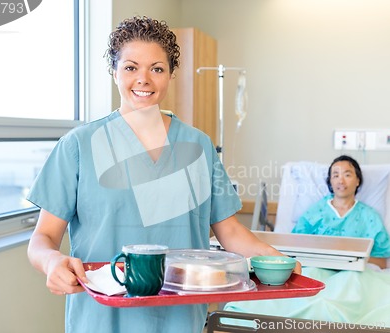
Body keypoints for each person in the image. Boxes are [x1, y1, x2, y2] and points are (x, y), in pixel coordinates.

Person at [26, 16, 298, 333]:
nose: (144, 79)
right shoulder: (78, 146)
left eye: (157, 69)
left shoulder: (198, 145)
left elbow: (230, 232)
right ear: (114, 72)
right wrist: (51, 262)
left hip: (179, 317)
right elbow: (42, 238)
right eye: (130, 67)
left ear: (170, 75)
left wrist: (277, 260)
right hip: (101, 319)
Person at [292, 155, 390, 268]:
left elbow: (381, 262)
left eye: (347, 175)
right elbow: (294, 250)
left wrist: (353, 261)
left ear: (357, 181)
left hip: (355, 275)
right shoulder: (314, 213)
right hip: (317, 271)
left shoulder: (370, 217)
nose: (341, 181)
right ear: (330, 181)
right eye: (336, 175)